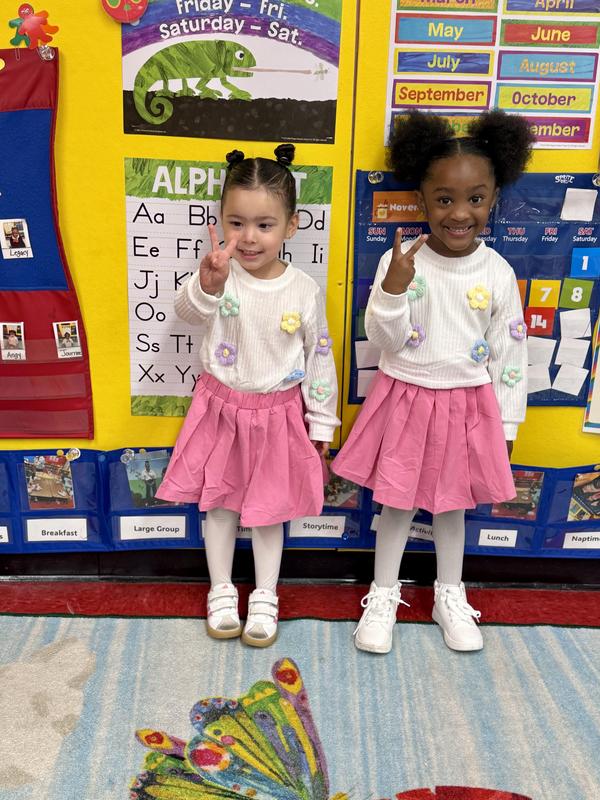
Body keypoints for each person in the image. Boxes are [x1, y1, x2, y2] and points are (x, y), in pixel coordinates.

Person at [332, 110, 533, 654]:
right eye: (444, 199)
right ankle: (382, 594)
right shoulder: (400, 262)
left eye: (475, 198)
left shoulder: (497, 272)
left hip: (468, 406)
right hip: (404, 398)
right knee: (396, 504)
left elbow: (510, 354)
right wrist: (394, 289)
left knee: (451, 507)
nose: (460, 213)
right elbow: (384, 338)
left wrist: (508, 424)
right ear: (421, 200)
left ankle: (449, 593)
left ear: (494, 199)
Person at [156, 144, 339, 647]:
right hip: (220, 409)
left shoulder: (303, 288)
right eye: (236, 223)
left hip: (280, 415)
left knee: (269, 511)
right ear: (220, 221)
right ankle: (219, 588)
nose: (249, 237)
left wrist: (322, 421)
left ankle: (265, 593)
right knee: (219, 504)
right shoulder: (217, 276)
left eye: (264, 224)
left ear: (292, 225)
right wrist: (208, 285)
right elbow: (188, 314)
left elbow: (320, 358)